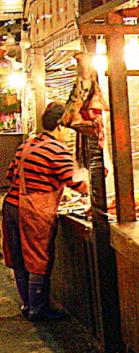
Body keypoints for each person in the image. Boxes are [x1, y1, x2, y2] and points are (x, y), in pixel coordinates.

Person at [1, 101, 88, 320]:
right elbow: (75, 182)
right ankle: (38, 310)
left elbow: (10, 175)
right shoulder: (58, 150)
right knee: (37, 258)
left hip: (11, 205)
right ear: (59, 125)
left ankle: (27, 305)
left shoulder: (27, 144)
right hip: (33, 209)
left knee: (19, 258)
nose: (68, 133)